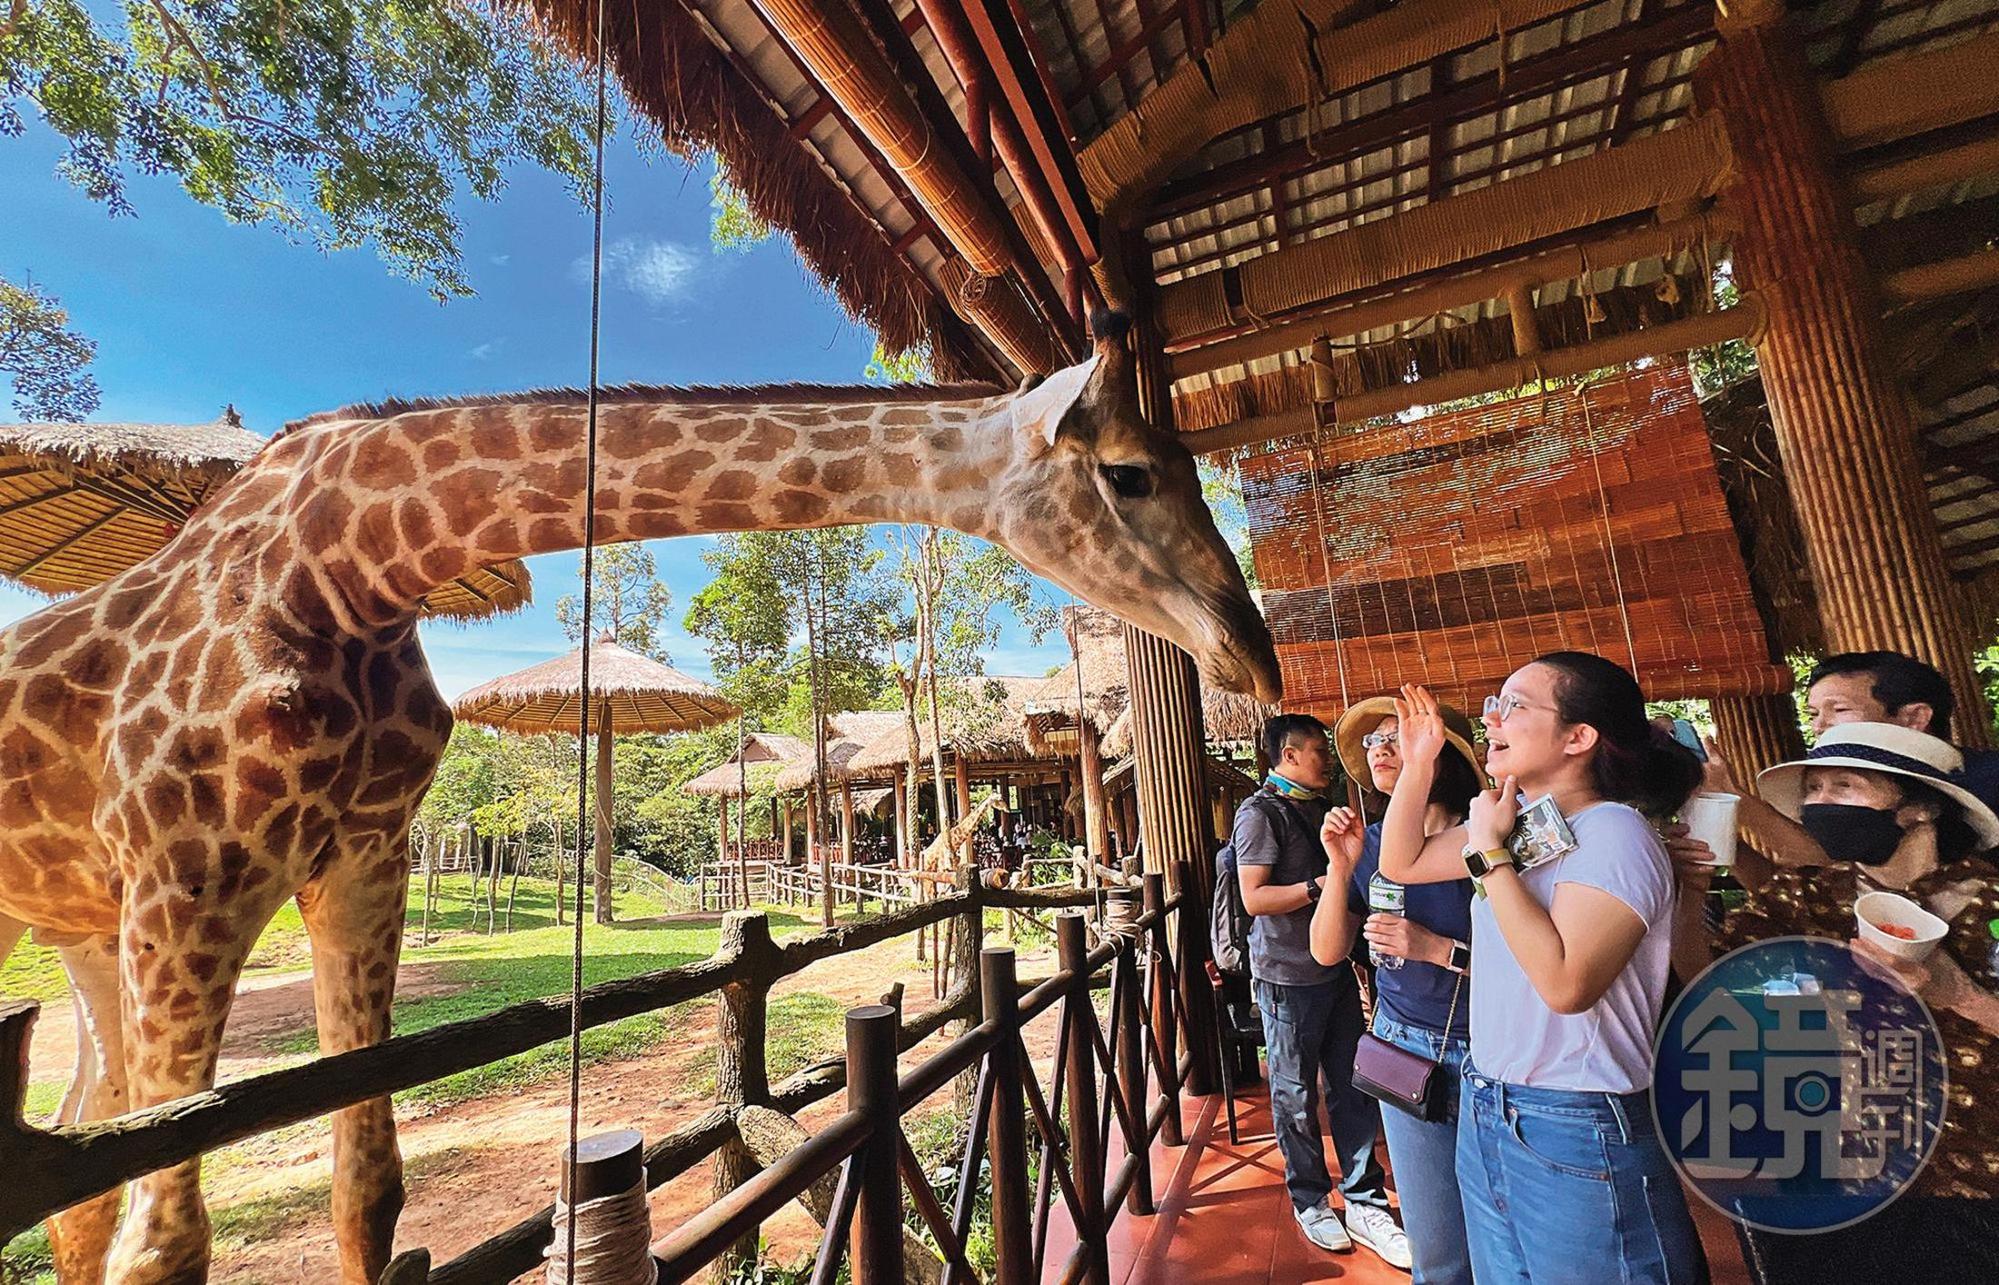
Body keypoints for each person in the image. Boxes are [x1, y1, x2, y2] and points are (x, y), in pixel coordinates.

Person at [1378, 656, 1707, 1285]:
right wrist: (1420, 764)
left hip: (1575, 1117)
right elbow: (1404, 860)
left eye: (1517, 704)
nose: (1493, 717)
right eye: (1494, 703)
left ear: (1578, 737)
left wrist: (1491, 857)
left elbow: (1565, 984)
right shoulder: (1528, 827)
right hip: (1490, 1100)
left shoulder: (1616, 833)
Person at [1702, 721, 1999, 1198]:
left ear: (1921, 807)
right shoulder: (1800, 897)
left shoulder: (1990, 902)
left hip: (1977, 1172)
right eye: (1814, 788)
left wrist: (1962, 996)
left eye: (1845, 786)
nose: (1821, 803)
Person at [1312, 697, 1484, 1285]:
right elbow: (1327, 951)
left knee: (1504, 1239)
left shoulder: (1487, 836)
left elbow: (1546, 967)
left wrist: (1437, 949)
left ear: (1446, 755)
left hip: (1494, 1051)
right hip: (1401, 1047)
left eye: (1401, 736)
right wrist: (1339, 867)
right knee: (1437, 1245)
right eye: (1374, 741)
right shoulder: (1376, 843)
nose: (1381, 749)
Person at [1233, 713, 1408, 1266]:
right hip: (1287, 975)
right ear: (1287, 756)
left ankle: (1363, 1198)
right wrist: (1324, 881)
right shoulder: (1260, 814)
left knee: (1353, 1085)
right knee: (1293, 1093)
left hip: (1333, 971)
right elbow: (1254, 899)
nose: (1327, 761)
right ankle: (1310, 1199)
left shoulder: (1318, 808)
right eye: (1317, 752)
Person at [1701, 651, 1999, 881]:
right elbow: (1831, 873)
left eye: (1839, 710)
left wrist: (1732, 795)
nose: (1820, 726)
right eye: (1813, 714)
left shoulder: (1991, 781)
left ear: (1914, 718)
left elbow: (1823, 859)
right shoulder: (1851, 802)